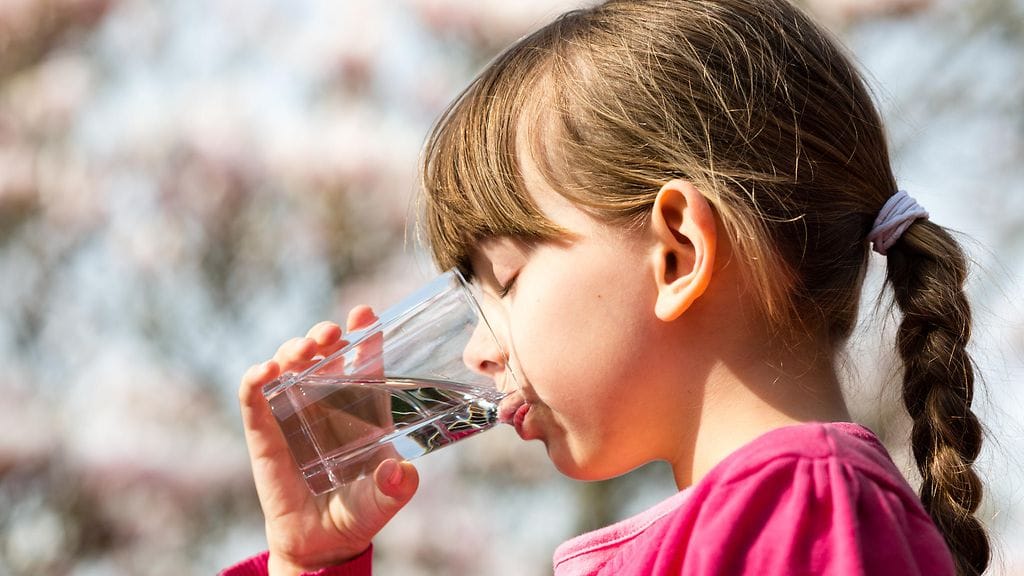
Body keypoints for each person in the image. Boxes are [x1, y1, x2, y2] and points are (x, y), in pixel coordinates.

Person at [223, 0, 991, 574]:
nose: (478, 351)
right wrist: (313, 562)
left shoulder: (800, 511)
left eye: (505, 280)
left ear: (678, 253)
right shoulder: (774, 514)